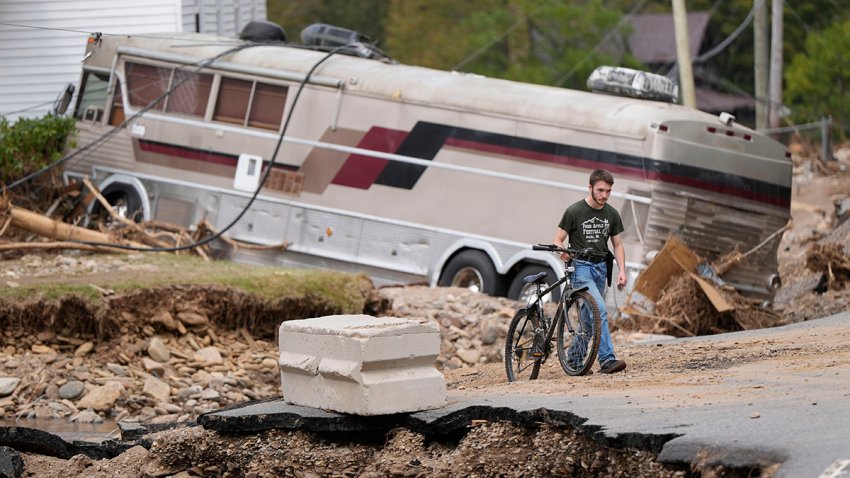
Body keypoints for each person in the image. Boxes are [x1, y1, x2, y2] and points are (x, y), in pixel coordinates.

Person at [553, 169, 627, 374]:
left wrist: (622, 271)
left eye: (608, 191)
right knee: (599, 309)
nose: (604, 195)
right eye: (601, 190)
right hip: (581, 268)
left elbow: (618, 244)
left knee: (588, 319)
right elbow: (558, 239)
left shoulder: (611, 213)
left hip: (601, 268)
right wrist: (563, 252)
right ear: (590, 188)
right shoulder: (574, 211)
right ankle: (607, 360)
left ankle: (575, 361)